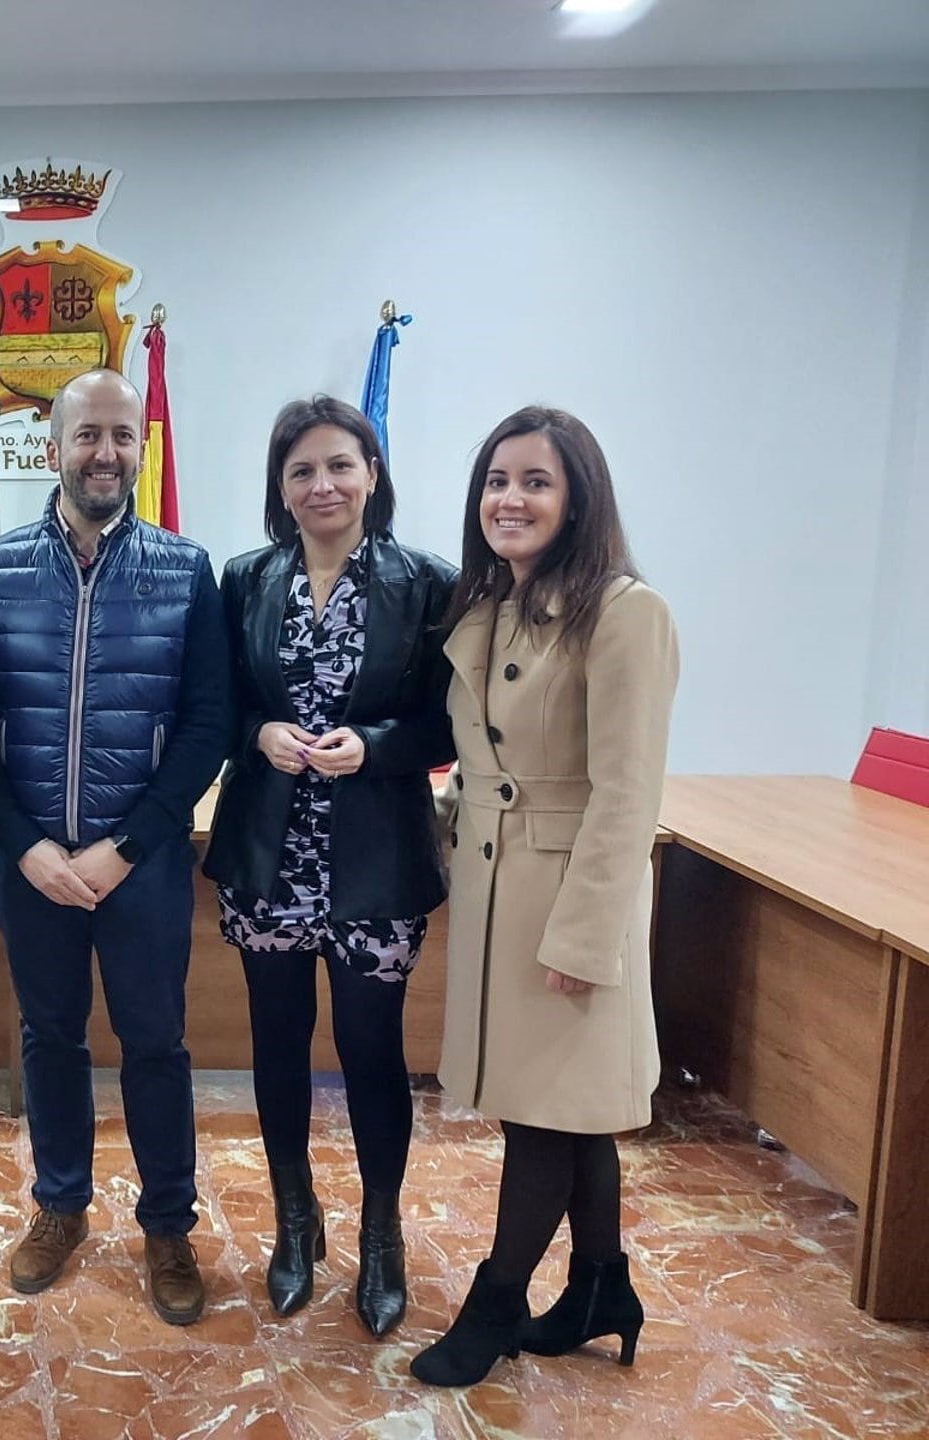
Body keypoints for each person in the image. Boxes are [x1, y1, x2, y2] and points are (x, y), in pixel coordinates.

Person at [0, 367, 231, 1326]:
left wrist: (126, 844)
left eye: (121, 436)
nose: (104, 453)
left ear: (139, 449)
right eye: (86, 436)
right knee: (50, 1036)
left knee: (155, 1044)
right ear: (55, 447)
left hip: (141, 863)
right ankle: (60, 1208)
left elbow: (207, 727)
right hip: (28, 865)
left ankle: (167, 1227)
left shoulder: (186, 571)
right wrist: (26, 844)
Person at [410, 406, 679, 1386]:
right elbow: (478, 765)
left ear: (578, 499)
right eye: (495, 481)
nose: (509, 500)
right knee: (566, 1111)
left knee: (544, 1118)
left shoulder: (624, 611)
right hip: (495, 892)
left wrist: (586, 939)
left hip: (568, 904)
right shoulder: (486, 608)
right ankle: (605, 1286)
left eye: (535, 481)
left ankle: (495, 1301)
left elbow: (627, 796)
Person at [202, 396, 457, 1336]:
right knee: (277, 1044)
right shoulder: (245, 580)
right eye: (302, 470)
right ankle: (294, 1220)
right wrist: (257, 730)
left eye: (340, 465)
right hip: (271, 856)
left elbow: (448, 721)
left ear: (373, 472)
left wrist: (380, 745)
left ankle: (380, 1232)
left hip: (374, 860)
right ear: (281, 486)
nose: (323, 485)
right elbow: (211, 706)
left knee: (370, 1051)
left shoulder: (429, 584)